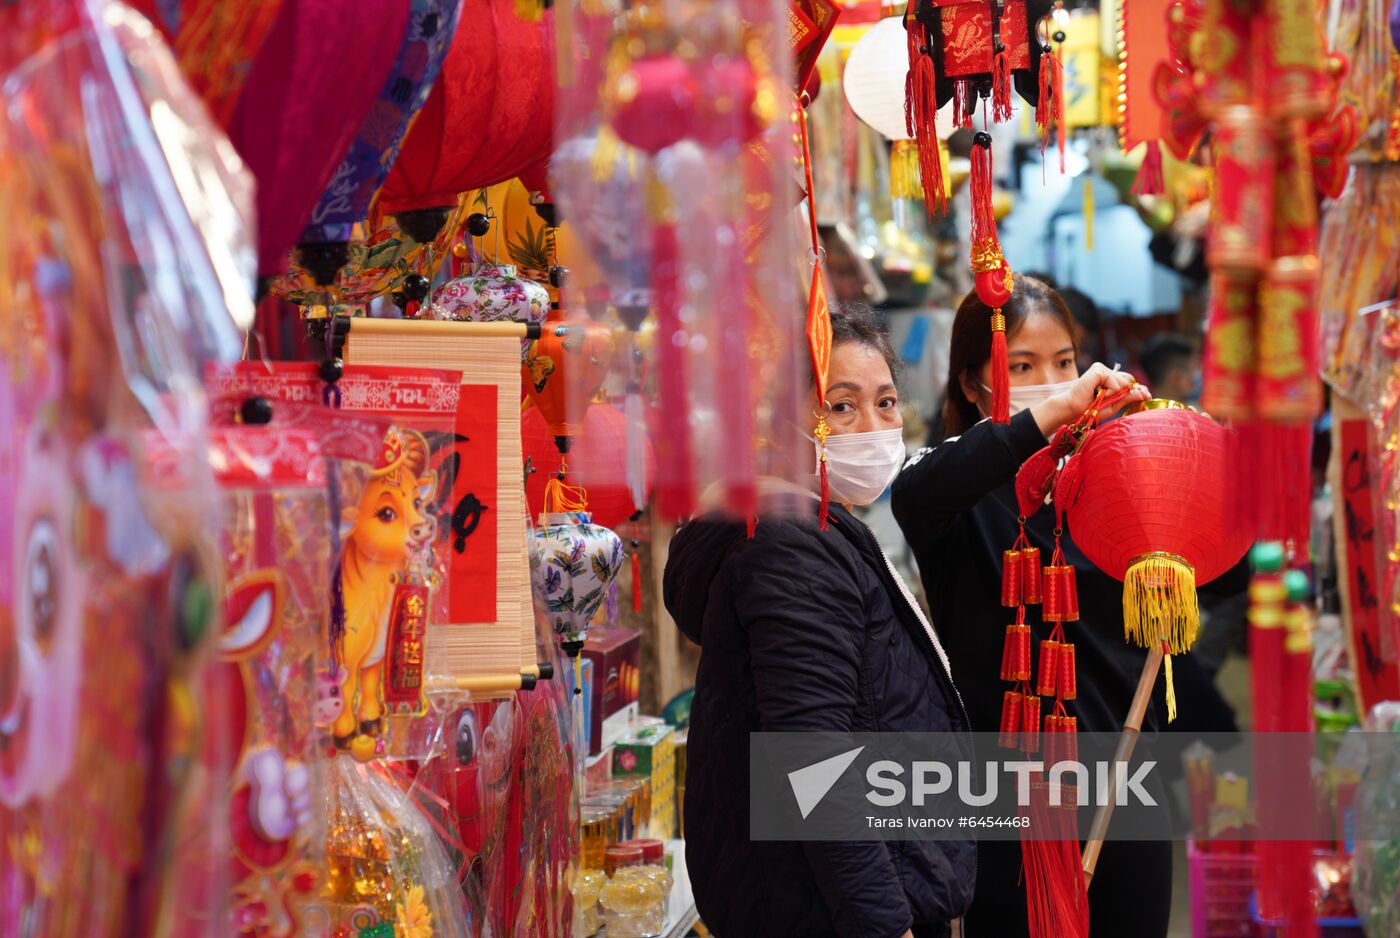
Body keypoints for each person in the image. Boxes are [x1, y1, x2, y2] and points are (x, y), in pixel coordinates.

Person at [664, 304, 974, 938]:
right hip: (826, 911)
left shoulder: (813, 527)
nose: (872, 425)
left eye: (886, 403)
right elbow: (814, 760)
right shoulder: (789, 546)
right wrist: (884, 924)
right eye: (840, 406)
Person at [891, 274, 1174, 938]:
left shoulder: (1114, 480)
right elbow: (914, 493)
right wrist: (1049, 415)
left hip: (1123, 791)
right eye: (1021, 366)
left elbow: (1222, 573)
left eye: (1065, 362)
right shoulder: (957, 495)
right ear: (971, 384)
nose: (1054, 379)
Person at [1139, 332, 1201, 406]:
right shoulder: (1197, 415)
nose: (1198, 374)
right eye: (1194, 369)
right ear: (1177, 377)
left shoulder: (1136, 414)